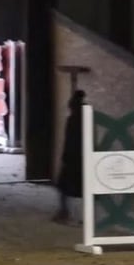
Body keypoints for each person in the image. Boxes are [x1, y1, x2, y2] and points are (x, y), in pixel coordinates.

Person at [54, 89, 86, 224]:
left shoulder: (73, 120)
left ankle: (67, 214)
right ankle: (74, 215)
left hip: (73, 158)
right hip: (83, 157)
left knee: (66, 187)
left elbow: (69, 141)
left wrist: (65, 157)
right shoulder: (86, 118)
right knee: (78, 188)